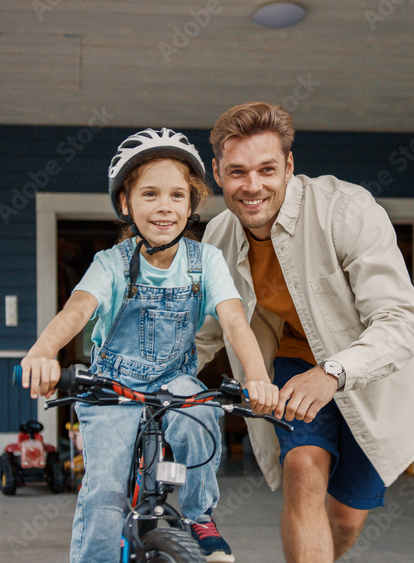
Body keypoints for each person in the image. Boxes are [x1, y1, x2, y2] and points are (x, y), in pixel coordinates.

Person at [20, 127, 279, 563]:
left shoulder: (205, 262)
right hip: (111, 388)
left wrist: (256, 378)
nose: (165, 207)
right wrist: (42, 352)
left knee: (200, 411)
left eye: (178, 195)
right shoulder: (112, 264)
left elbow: (234, 321)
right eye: (150, 194)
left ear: (192, 203)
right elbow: (76, 311)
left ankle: (200, 514)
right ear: (126, 203)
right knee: (104, 492)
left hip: (174, 380)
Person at [195, 103, 414, 562]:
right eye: (238, 171)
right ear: (218, 172)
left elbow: (401, 321)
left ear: (289, 166)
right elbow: (205, 329)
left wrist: (334, 372)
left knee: (344, 519)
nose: (253, 186)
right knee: (302, 469)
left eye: (266, 169)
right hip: (293, 362)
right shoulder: (219, 236)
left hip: (370, 375)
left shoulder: (346, 212)